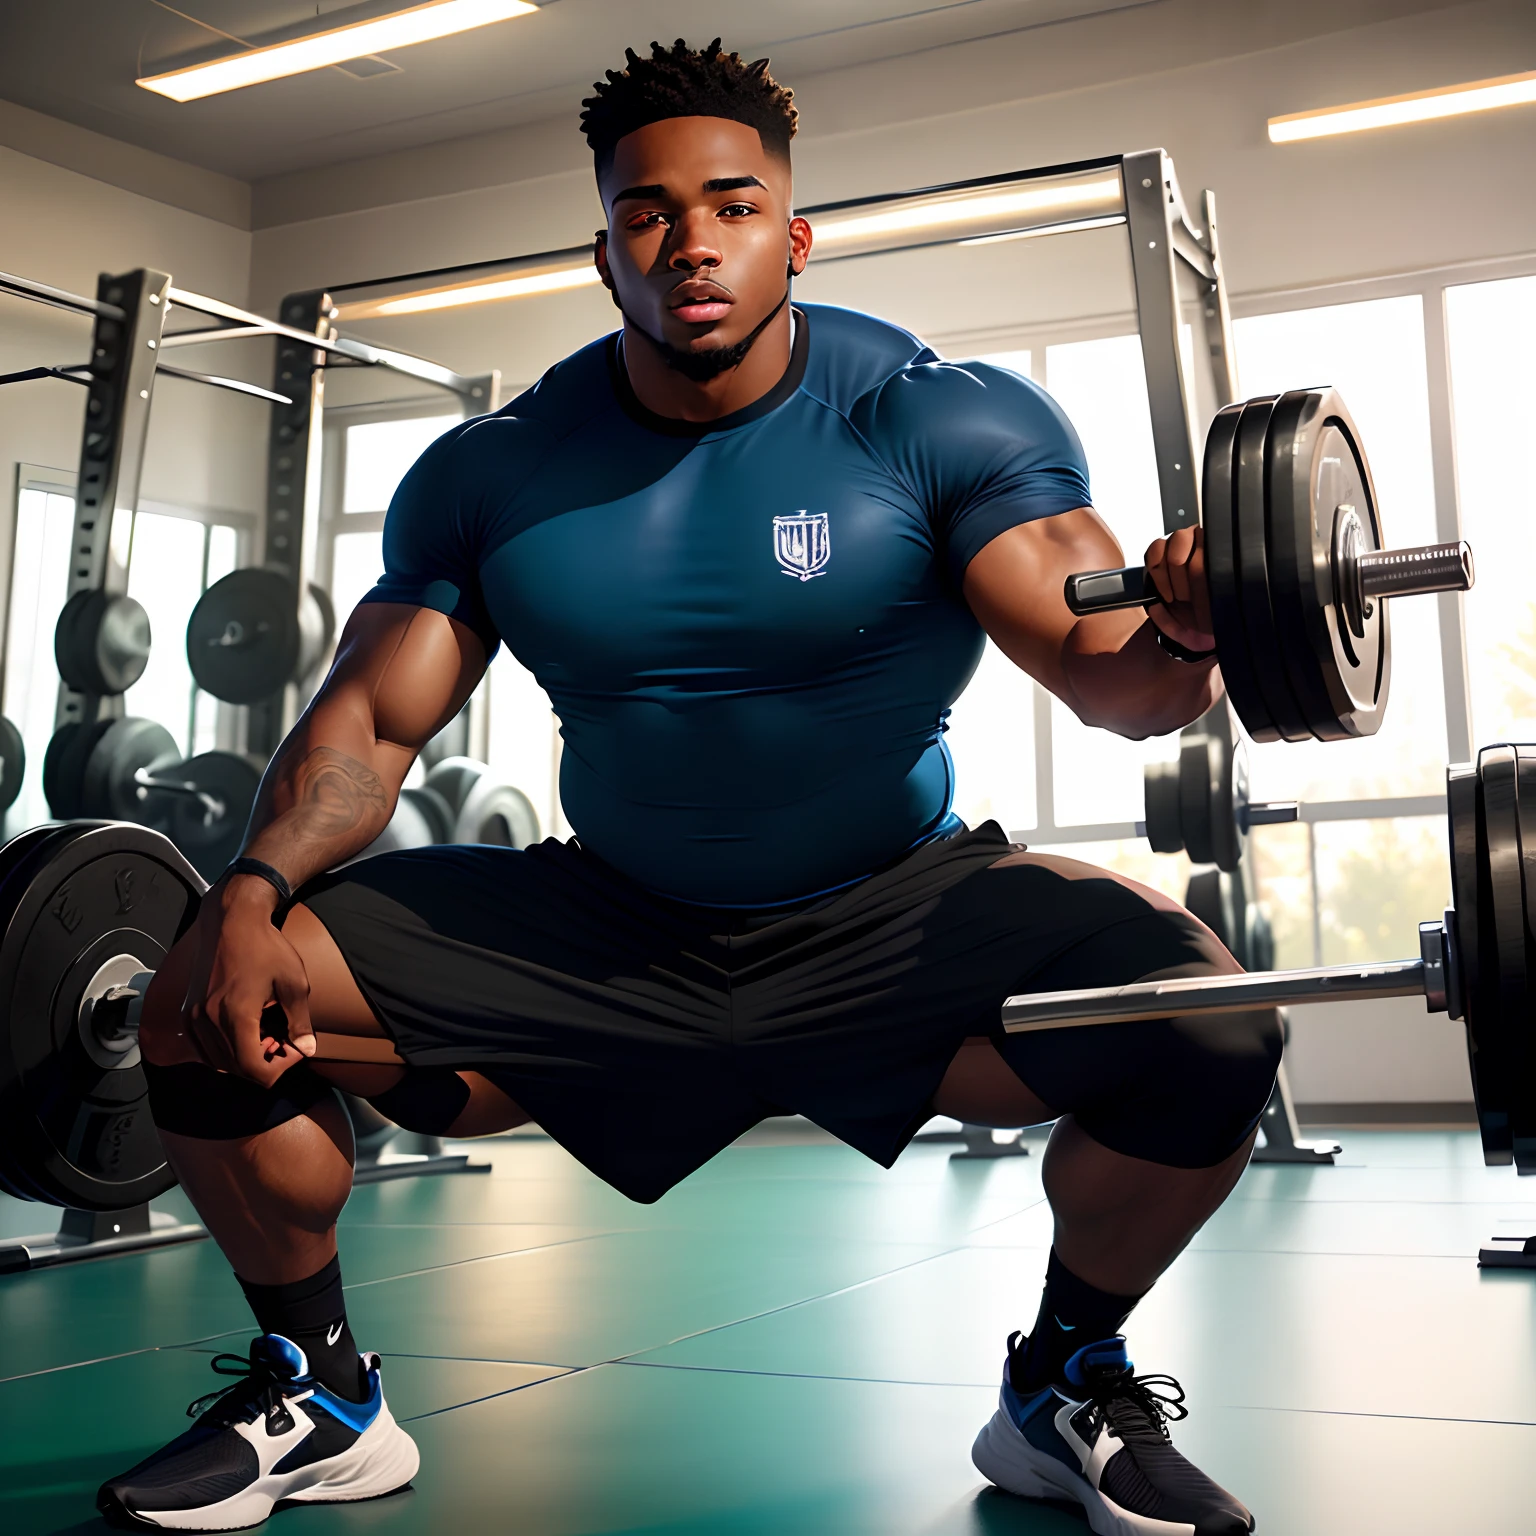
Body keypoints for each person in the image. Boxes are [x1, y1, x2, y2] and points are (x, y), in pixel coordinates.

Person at [100, 38, 1278, 1536]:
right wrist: (254, 890)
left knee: (1208, 1025)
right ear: (607, 255)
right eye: (650, 214)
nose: (691, 242)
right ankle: (321, 1391)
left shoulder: (933, 419)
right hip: (607, 924)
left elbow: (1120, 685)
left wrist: (1190, 621)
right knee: (206, 992)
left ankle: (1062, 1385)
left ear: (792, 235)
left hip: (899, 917)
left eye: (730, 206)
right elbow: (370, 727)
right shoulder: (498, 469)